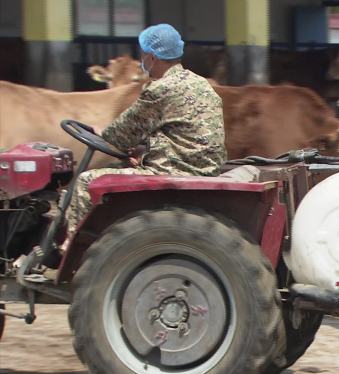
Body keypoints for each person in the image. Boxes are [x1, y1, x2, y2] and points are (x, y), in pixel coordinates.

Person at [64, 23, 226, 239]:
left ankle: (74, 250)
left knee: (87, 182)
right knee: (117, 166)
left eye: (143, 55)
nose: (142, 60)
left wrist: (100, 132)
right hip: (202, 166)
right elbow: (177, 132)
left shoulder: (161, 88)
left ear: (152, 57)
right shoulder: (202, 84)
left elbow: (119, 136)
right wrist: (142, 150)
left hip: (176, 170)